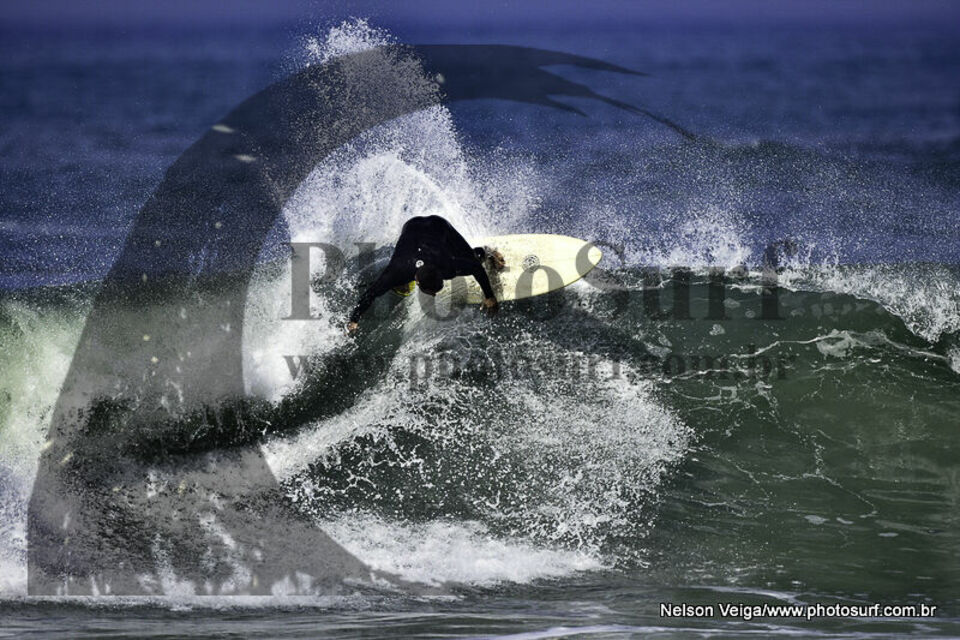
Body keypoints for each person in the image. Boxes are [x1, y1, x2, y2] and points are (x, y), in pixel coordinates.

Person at [347, 215, 505, 334]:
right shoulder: (398, 270)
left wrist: (489, 296)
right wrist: (354, 320)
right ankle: (401, 283)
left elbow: (476, 267)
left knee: (471, 256)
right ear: (416, 280)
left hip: (439, 225)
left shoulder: (448, 266)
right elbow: (371, 294)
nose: (435, 295)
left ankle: (488, 250)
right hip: (412, 226)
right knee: (388, 281)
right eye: (432, 292)